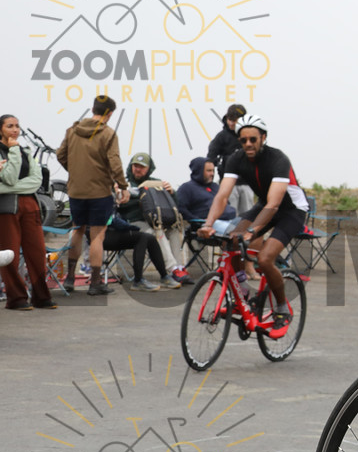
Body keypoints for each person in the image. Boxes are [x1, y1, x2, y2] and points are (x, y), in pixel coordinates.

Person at [197, 114, 308, 331]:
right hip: (264, 206)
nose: (248, 144)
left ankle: (282, 308)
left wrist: (252, 231)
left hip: (291, 210)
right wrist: (208, 225)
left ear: (263, 138)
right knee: (231, 240)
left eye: (253, 139)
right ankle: (243, 292)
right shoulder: (235, 159)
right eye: (243, 140)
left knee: (265, 259)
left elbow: (274, 204)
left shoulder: (278, 159)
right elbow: (222, 196)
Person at [57, 94, 125, 297]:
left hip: (76, 190)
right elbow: (115, 162)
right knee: (97, 235)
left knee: (77, 231)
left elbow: (60, 154)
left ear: (93, 109)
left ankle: (70, 278)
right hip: (99, 191)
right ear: (109, 114)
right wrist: (122, 185)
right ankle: (95, 283)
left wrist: (75, 170)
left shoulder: (72, 130)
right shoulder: (108, 134)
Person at [0, 115, 56, 310]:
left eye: (17, 126)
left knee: (37, 252)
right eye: (10, 126)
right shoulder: (9, 151)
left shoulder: (26, 151)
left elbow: (36, 181)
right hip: (7, 209)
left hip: (31, 206)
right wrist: (13, 150)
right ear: (0, 130)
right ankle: (16, 299)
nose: (15, 130)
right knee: (11, 255)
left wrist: (7, 186)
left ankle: (41, 297)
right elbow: (9, 177)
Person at [114, 153, 185, 288]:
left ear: (149, 169)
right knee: (156, 231)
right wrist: (136, 197)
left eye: (142, 167)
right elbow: (119, 206)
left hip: (155, 220)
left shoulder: (156, 183)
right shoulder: (124, 184)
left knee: (174, 229)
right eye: (135, 166)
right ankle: (172, 269)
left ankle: (180, 268)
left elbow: (173, 205)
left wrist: (171, 193)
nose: (138, 169)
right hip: (133, 221)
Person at [102, 211, 171, 291]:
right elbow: (113, 221)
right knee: (141, 237)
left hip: (112, 232)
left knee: (150, 238)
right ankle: (138, 280)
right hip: (103, 236)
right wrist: (132, 228)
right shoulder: (104, 204)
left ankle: (164, 276)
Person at [176, 157, 238, 236]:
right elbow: (181, 209)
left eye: (213, 171)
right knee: (238, 233)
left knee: (249, 227)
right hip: (210, 223)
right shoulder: (186, 188)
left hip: (231, 219)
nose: (212, 174)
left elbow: (226, 203)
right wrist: (198, 220)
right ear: (199, 171)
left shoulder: (215, 186)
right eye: (209, 171)